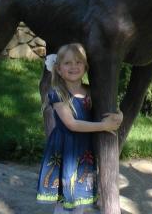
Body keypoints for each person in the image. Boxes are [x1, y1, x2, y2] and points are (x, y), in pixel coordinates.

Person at [37, 43, 123, 213]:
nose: (73, 66)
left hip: (84, 151)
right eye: (67, 63)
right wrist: (103, 126)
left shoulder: (91, 91)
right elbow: (72, 124)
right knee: (65, 200)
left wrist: (119, 115)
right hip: (66, 150)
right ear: (59, 69)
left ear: (85, 67)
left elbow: (114, 109)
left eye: (78, 62)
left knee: (80, 198)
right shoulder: (58, 94)